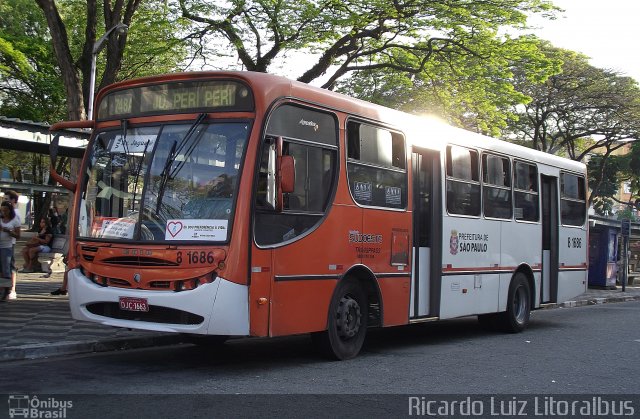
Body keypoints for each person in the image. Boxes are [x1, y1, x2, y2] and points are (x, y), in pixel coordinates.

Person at [0, 201, 21, 301]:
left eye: (5, 210)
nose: (3, 212)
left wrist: (7, 230)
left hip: (6, 246)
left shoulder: (14, 220)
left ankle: (6, 291)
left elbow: (18, 236)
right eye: (2, 210)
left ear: (10, 210)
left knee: (6, 269)